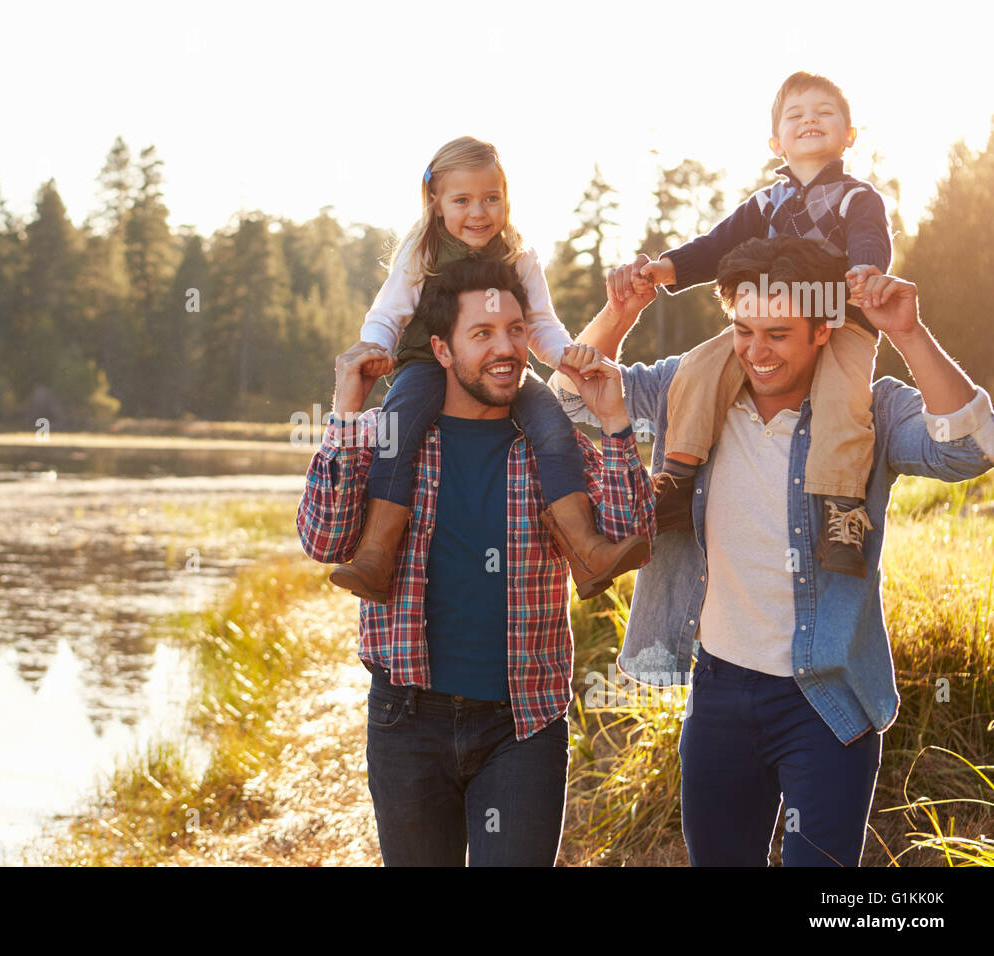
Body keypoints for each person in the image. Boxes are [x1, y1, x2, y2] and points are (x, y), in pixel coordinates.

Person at [555, 236, 994, 866]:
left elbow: (969, 450)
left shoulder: (868, 410)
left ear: (823, 331)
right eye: (743, 329)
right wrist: (622, 311)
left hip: (826, 696)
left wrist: (910, 332)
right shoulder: (689, 390)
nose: (756, 352)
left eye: (779, 334)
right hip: (720, 691)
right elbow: (574, 397)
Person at [297, 259, 655, 866]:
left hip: (524, 722)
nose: (507, 348)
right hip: (407, 718)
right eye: (483, 333)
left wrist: (616, 419)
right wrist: (345, 412)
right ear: (441, 348)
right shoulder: (395, 442)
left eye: (516, 330)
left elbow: (632, 534)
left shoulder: (551, 445)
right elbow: (325, 541)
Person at [327, 135, 646, 604]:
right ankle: (376, 552)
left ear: (506, 200)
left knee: (552, 425)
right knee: (398, 429)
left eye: (491, 199)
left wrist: (565, 356)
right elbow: (388, 313)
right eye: (462, 200)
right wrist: (375, 346)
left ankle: (586, 548)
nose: (478, 212)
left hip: (504, 368)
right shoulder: (422, 251)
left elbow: (540, 324)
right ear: (435, 204)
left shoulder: (519, 255)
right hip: (423, 363)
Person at [624, 71, 891, 577]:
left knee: (843, 395)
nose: (810, 119)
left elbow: (870, 240)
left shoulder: (858, 198)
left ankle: (840, 511)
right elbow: (715, 245)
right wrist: (668, 268)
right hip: (766, 319)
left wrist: (866, 271)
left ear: (849, 135)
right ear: (776, 141)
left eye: (824, 112)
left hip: (839, 314)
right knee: (700, 367)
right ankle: (678, 481)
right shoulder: (766, 203)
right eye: (796, 115)